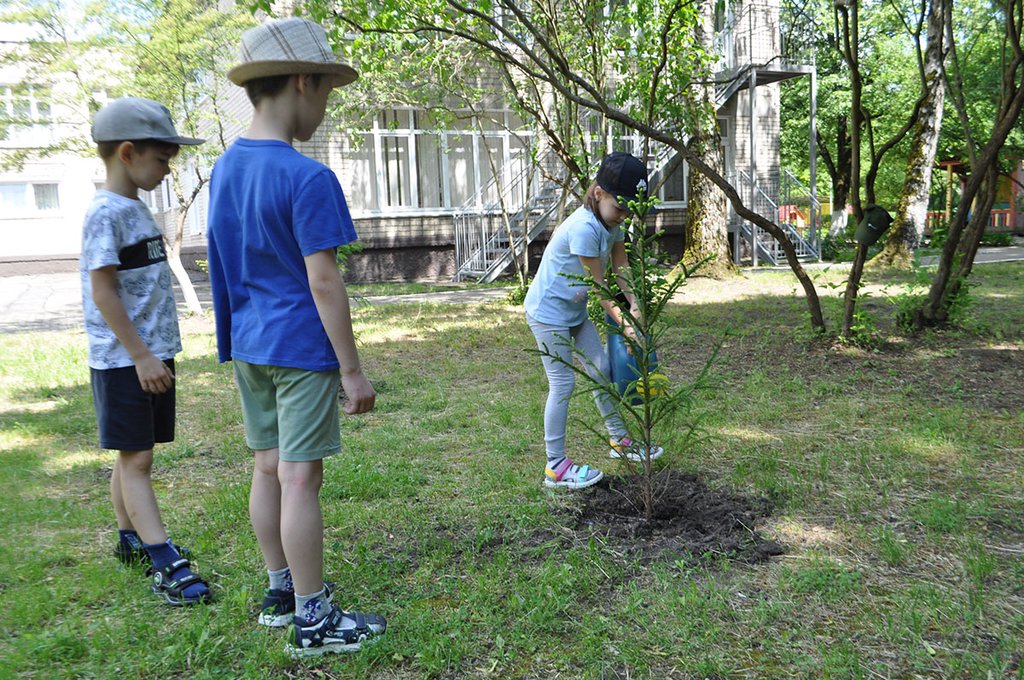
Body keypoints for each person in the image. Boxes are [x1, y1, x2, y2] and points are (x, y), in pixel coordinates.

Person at [206, 17, 385, 657]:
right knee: (301, 478)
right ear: (303, 82)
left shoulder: (225, 168)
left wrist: (230, 338)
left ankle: (280, 591)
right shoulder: (308, 178)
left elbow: (221, 263)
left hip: (250, 345)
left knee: (267, 466)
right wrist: (352, 370)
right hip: (300, 351)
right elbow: (324, 283)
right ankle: (315, 619)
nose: (325, 108)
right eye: (326, 94)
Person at [81, 97, 211, 606]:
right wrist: (139, 355)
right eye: (163, 159)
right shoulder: (105, 214)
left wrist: (153, 353)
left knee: (132, 456)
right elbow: (103, 291)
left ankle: (130, 539)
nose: (168, 168)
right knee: (137, 463)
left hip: (150, 355)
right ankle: (164, 561)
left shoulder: (133, 208)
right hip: (126, 360)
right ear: (128, 152)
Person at [524, 152, 664, 490]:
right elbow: (598, 286)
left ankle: (620, 441)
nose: (625, 215)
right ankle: (555, 467)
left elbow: (621, 268)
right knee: (563, 385)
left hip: (573, 312)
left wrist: (635, 304)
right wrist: (624, 322)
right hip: (547, 314)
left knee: (601, 370)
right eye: (621, 207)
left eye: (631, 209)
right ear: (598, 193)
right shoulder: (584, 228)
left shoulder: (610, 223)